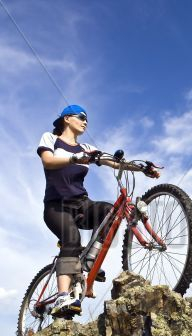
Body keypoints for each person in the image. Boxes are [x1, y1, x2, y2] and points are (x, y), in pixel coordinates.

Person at [37, 104, 159, 317]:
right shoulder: (50, 138)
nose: (85, 121)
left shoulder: (86, 147)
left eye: (87, 119)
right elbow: (48, 161)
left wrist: (142, 169)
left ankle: (89, 263)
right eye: (81, 117)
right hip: (57, 206)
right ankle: (62, 295)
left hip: (81, 203)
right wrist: (74, 158)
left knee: (109, 211)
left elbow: (112, 162)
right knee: (71, 239)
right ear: (67, 118)